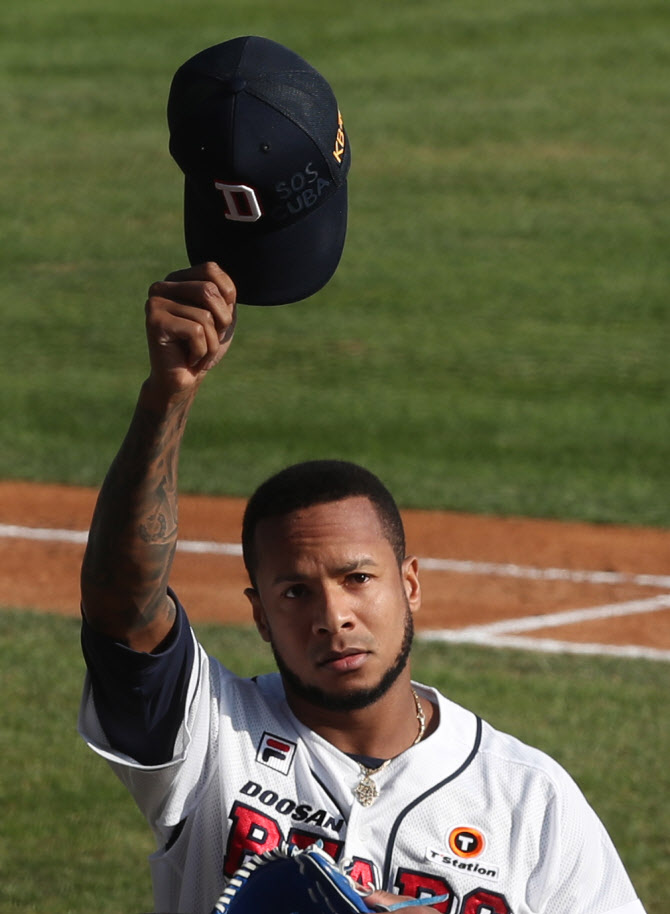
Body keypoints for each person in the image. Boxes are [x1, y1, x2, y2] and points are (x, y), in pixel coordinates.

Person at [78, 263, 646, 914]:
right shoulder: (209, 742)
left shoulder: (530, 801)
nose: (332, 616)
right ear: (259, 615)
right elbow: (124, 611)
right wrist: (168, 396)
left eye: (358, 579)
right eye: (295, 592)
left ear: (410, 585)